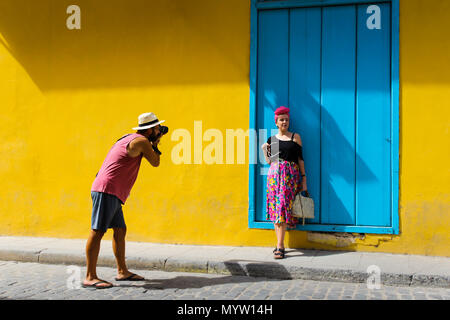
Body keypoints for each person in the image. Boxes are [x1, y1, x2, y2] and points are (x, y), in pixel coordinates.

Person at [82, 112, 166, 289]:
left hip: (111, 190)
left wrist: (154, 141)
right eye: (157, 128)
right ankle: (90, 276)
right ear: (150, 130)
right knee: (97, 231)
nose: (159, 130)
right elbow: (156, 162)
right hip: (108, 189)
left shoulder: (127, 137)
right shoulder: (142, 142)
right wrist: (156, 145)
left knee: (120, 230)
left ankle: (122, 271)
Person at [261, 106, 307, 259]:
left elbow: (300, 160)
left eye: (286, 119)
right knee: (276, 209)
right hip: (274, 177)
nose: (284, 122)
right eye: (281, 120)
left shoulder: (295, 137)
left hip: (289, 177)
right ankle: (279, 244)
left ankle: (280, 246)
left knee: (281, 207)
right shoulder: (272, 140)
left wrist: (304, 179)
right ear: (276, 122)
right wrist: (264, 150)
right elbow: (269, 162)